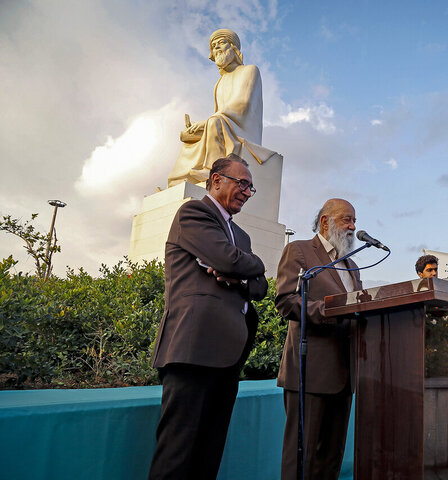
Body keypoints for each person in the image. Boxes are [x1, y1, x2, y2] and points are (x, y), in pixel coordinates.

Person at [149, 155, 269, 479]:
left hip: (229, 355)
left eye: (250, 187)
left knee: (208, 451)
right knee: (177, 454)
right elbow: (227, 259)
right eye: (241, 183)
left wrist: (242, 273)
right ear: (216, 180)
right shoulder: (193, 214)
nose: (246, 191)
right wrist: (248, 265)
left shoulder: (242, 237)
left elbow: (260, 286)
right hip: (194, 349)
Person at [276, 199, 362, 480]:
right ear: (326, 222)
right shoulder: (300, 251)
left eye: (354, 221)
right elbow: (287, 301)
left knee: (331, 458)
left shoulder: (352, 265)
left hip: (345, 374)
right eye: (346, 219)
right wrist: (333, 311)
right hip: (310, 372)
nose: (352, 226)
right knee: (303, 456)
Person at [168, 29, 265, 187]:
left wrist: (207, 122)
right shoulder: (219, 83)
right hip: (226, 123)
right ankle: (178, 181)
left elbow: (242, 104)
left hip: (244, 127)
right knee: (189, 138)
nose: (217, 48)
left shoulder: (250, 70)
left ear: (233, 47)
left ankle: (211, 169)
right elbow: (221, 116)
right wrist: (195, 129)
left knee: (214, 122)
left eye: (221, 43)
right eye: (214, 46)